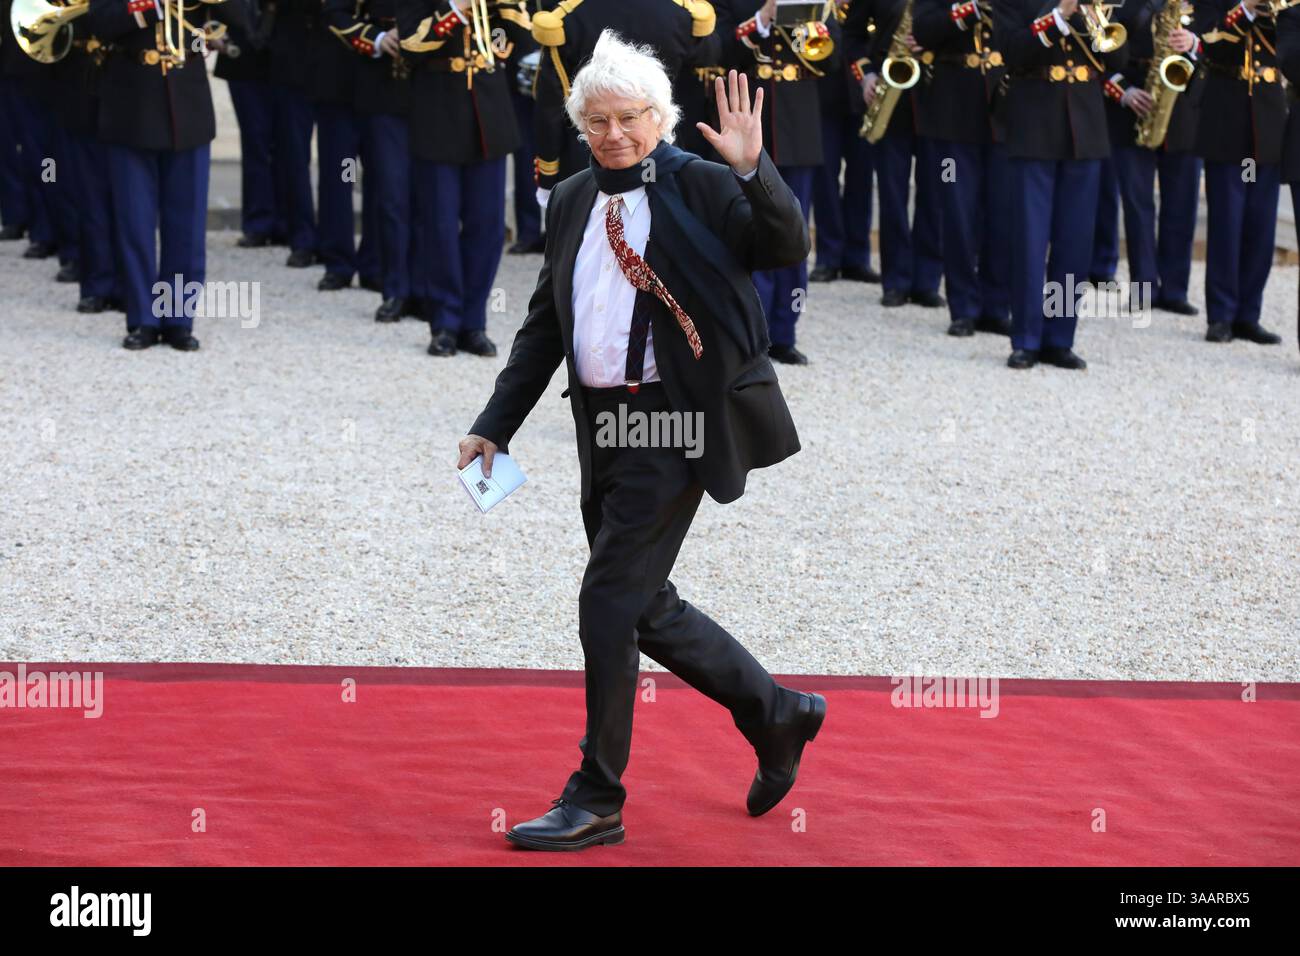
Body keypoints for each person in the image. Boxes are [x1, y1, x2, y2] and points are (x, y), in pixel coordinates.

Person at [455, 32, 826, 851]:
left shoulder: (699, 184)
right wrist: (495, 422)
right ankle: (778, 713)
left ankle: (597, 795)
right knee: (643, 602)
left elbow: (783, 246)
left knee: (606, 602)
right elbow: (545, 323)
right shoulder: (574, 197)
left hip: (675, 420)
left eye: (628, 118)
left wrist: (752, 170)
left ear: (660, 117)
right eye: (596, 120)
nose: (613, 133)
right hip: (603, 424)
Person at [84, 0, 227, 351]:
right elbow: (100, 21)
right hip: (131, 102)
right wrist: (151, 6)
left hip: (187, 99)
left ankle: (179, 318)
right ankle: (143, 319)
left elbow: (237, 17)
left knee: (187, 224)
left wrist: (216, 32)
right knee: (134, 222)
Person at [993, 0, 1128, 370]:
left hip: (1084, 130)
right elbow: (1012, 51)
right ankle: (1026, 338)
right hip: (1034, 126)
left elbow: (1118, 61)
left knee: (1075, 243)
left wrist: (1097, 18)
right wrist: (1059, 17)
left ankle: (1059, 338)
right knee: (1030, 242)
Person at [397, 0, 534, 358]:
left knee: (486, 226)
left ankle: (474, 322)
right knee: (439, 225)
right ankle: (444, 321)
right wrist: (455, 10)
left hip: (488, 115)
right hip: (438, 110)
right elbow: (410, 45)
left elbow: (519, 40)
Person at [725, 0, 831, 364]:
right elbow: (720, 48)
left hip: (799, 127)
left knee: (793, 232)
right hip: (749, 126)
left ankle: (784, 332)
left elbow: (833, 61)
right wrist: (762, 19)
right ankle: (751, 333)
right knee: (749, 232)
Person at [912, 0, 1013, 337]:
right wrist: (966, 10)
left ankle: (996, 306)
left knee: (1002, 213)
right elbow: (922, 30)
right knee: (956, 212)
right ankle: (964, 307)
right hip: (951, 116)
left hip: (1003, 112)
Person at [1099, 0, 1203, 316]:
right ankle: (1144, 288)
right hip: (1132, 104)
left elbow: (1218, 39)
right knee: (1137, 204)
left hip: (1182, 108)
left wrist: (1194, 43)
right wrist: (1123, 91)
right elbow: (1097, 49)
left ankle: (1175, 289)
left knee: (1182, 204)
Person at [1193, 0, 1284, 345]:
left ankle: (1249, 314)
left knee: (1260, 223)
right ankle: (1222, 314)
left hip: (1267, 124)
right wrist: (1245, 9)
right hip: (1232, 124)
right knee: (1229, 220)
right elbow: (1210, 43)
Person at [847, 0, 947, 310]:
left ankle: (927, 280)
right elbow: (851, 35)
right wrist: (865, 74)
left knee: (935, 194)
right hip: (890, 98)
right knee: (892, 195)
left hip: (937, 97)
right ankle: (896, 280)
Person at [809, 0, 882, 286]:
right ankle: (828, 255)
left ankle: (857, 256)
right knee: (824, 179)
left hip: (864, 96)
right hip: (823, 92)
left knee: (862, 178)